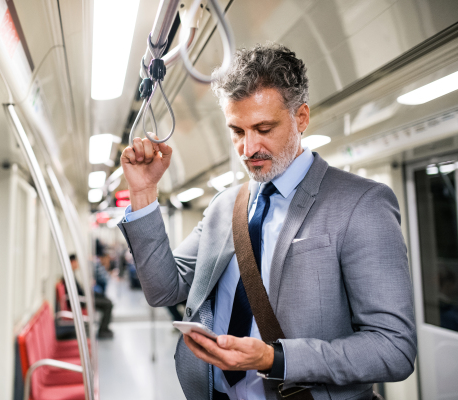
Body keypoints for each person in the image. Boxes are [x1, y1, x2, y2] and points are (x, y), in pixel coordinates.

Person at [117, 43, 416, 400]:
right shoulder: (224, 206)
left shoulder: (360, 203)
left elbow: (393, 348)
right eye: (238, 131)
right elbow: (165, 289)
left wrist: (277, 359)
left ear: (301, 117)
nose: (248, 149)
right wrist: (144, 192)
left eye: (264, 127)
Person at [68, 254, 114, 339]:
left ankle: (104, 328)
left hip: (83, 297)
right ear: (72, 262)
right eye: (76, 262)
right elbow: (76, 293)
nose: (77, 264)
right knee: (108, 304)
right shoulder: (68, 277)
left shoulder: (71, 275)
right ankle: (103, 330)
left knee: (104, 298)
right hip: (82, 301)